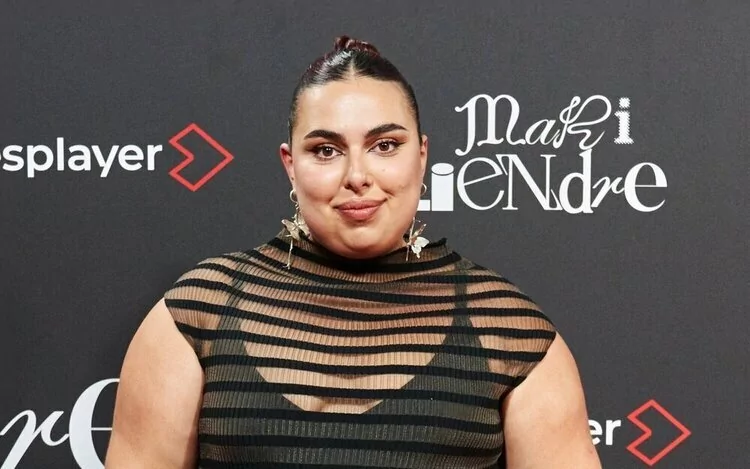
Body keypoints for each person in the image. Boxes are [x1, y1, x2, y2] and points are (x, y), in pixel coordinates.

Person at [105, 36, 602, 469]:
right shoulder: (199, 313)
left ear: (422, 155)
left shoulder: (508, 330)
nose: (357, 176)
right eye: (326, 150)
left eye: (385, 145)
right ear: (290, 165)